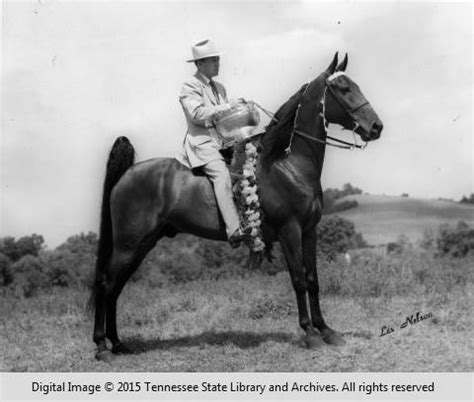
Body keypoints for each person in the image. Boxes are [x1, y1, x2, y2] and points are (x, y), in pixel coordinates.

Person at [176, 39, 249, 248]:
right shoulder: (189, 86)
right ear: (199, 64)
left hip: (224, 141)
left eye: (217, 59)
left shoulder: (220, 88)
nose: (218, 64)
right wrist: (227, 107)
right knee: (222, 175)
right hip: (203, 144)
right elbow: (198, 114)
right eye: (213, 60)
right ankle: (234, 230)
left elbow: (226, 121)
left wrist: (241, 115)